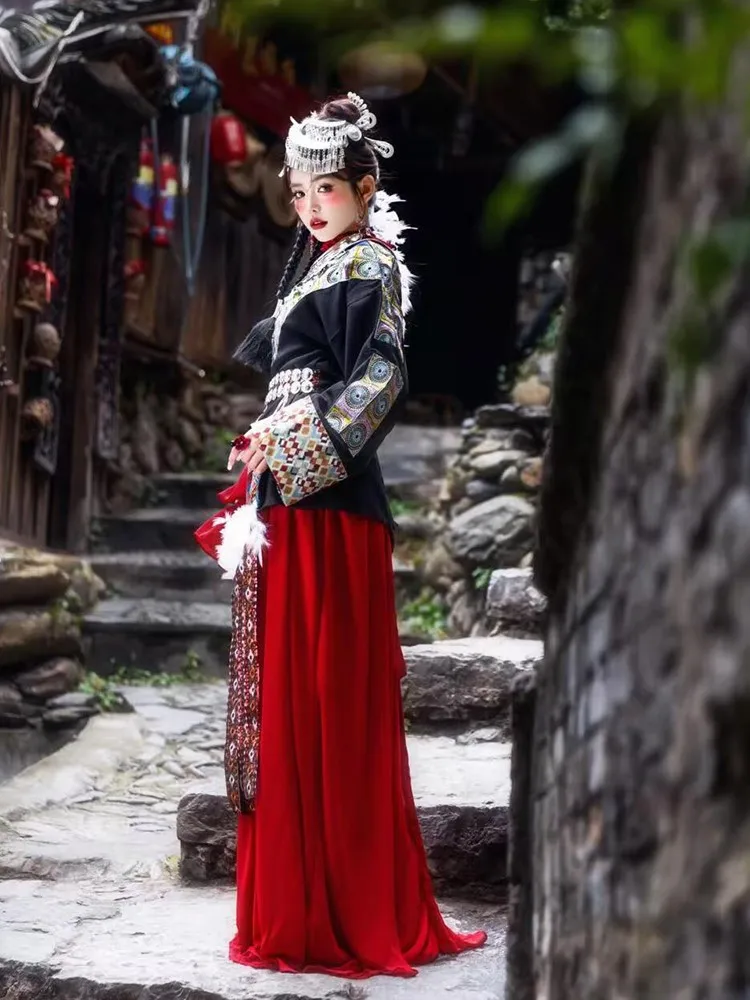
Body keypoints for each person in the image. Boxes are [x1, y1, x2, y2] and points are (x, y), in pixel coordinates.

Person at [195, 93, 487, 979]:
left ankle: (339, 909)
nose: (310, 204)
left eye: (326, 188)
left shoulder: (369, 264)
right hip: (292, 502)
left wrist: (293, 451)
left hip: (330, 509)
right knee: (289, 698)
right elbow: (300, 386)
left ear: (365, 188)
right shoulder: (322, 266)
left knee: (326, 697)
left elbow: (380, 381)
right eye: (300, 191)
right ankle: (298, 905)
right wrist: (261, 446)